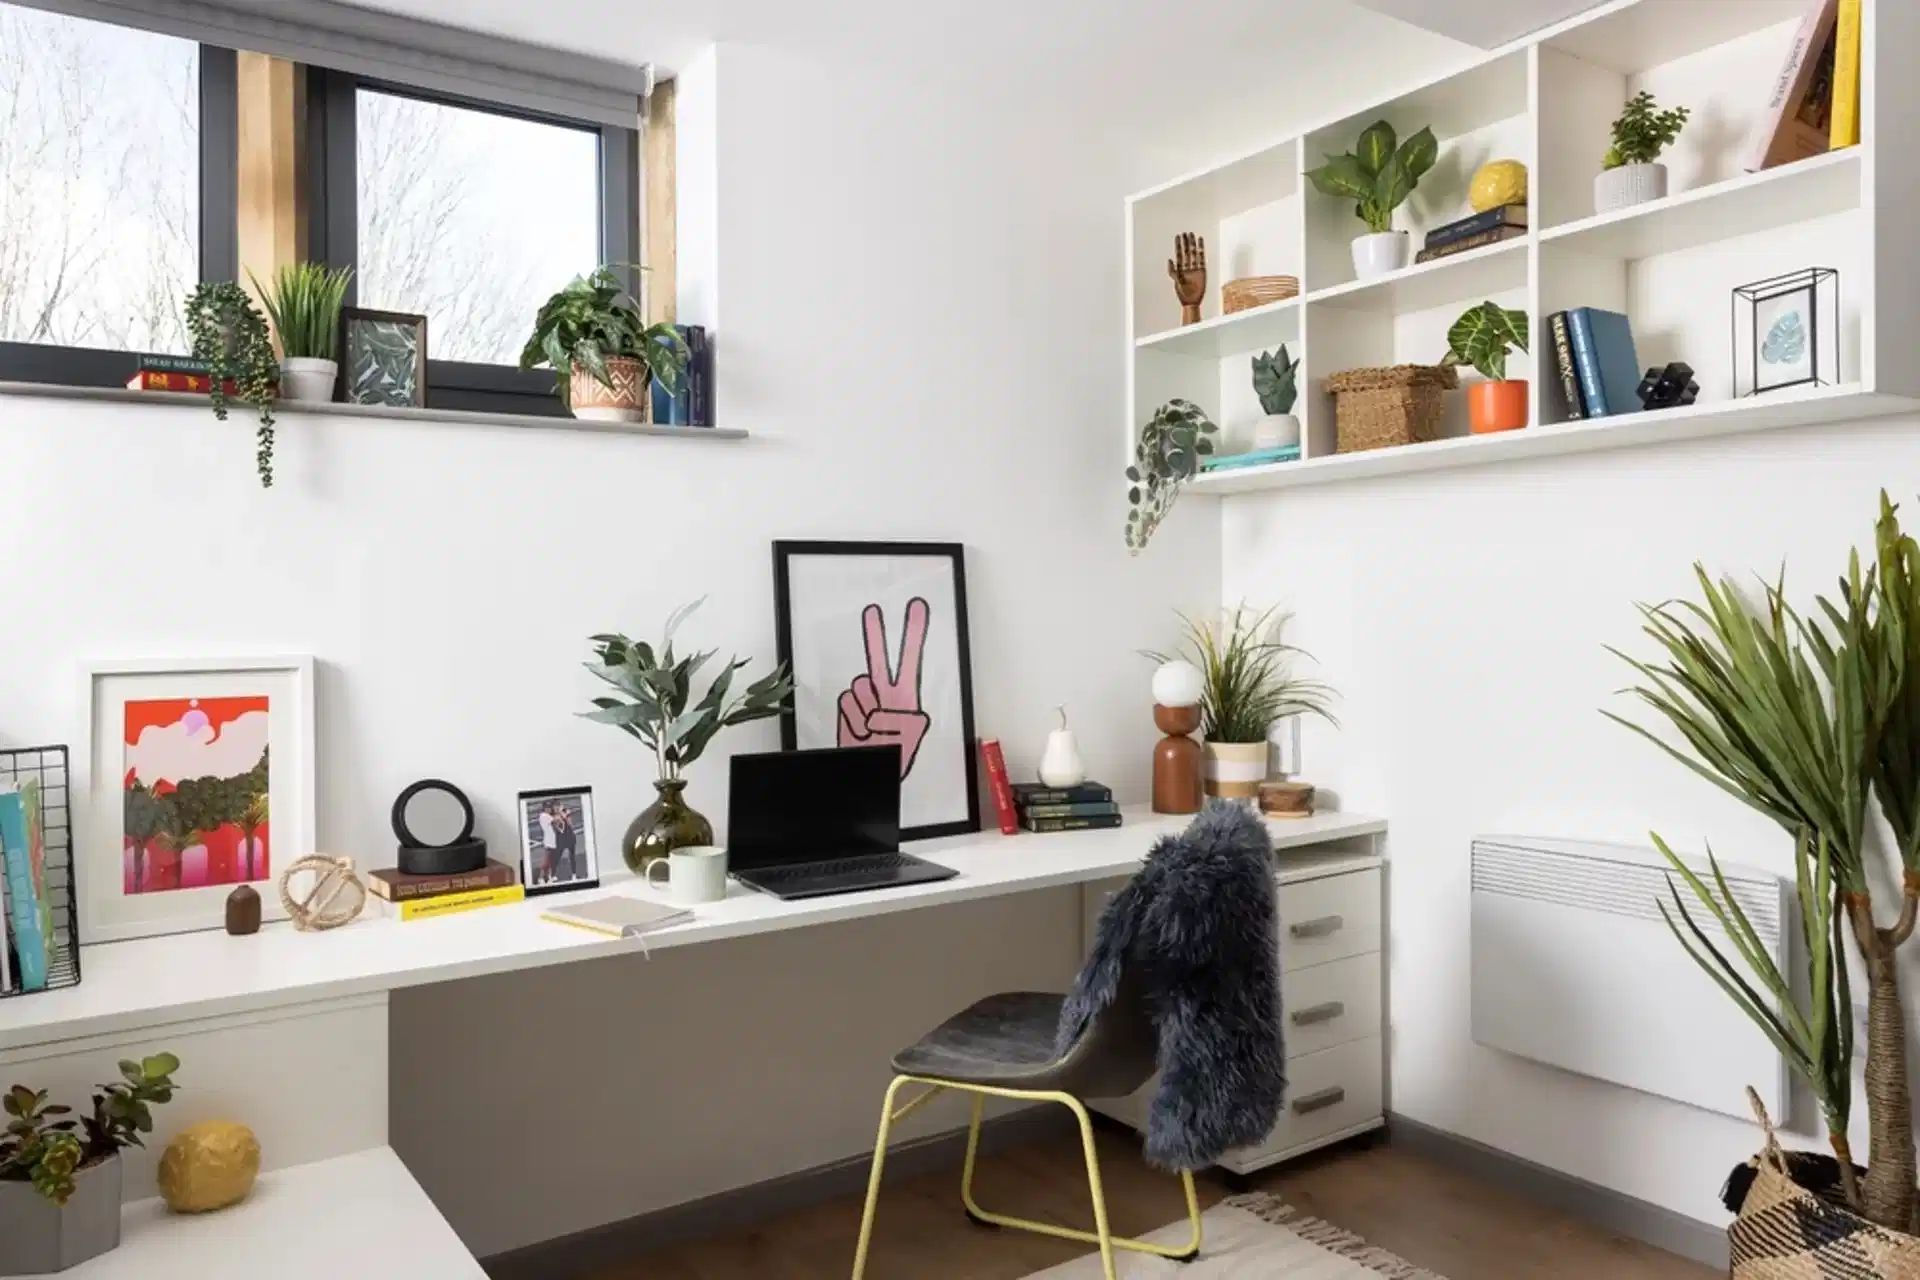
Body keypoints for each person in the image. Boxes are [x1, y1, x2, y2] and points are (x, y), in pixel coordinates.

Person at [536, 802, 558, 885]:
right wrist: (558, 812)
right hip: (548, 841)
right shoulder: (544, 816)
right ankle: (540, 878)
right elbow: (556, 820)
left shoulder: (547, 816)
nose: (548, 809)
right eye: (547, 808)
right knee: (546, 861)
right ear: (544, 808)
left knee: (550, 861)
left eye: (549, 807)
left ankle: (549, 877)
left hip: (552, 840)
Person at [555, 804, 578, 882]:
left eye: (560, 807)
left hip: (570, 837)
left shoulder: (567, 814)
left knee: (572, 856)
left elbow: (570, 824)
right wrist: (560, 817)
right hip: (562, 839)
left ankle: (574, 875)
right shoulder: (556, 816)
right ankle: (552, 874)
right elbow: (557, 827)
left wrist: (564, 815)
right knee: (557, 856)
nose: (558, 808)